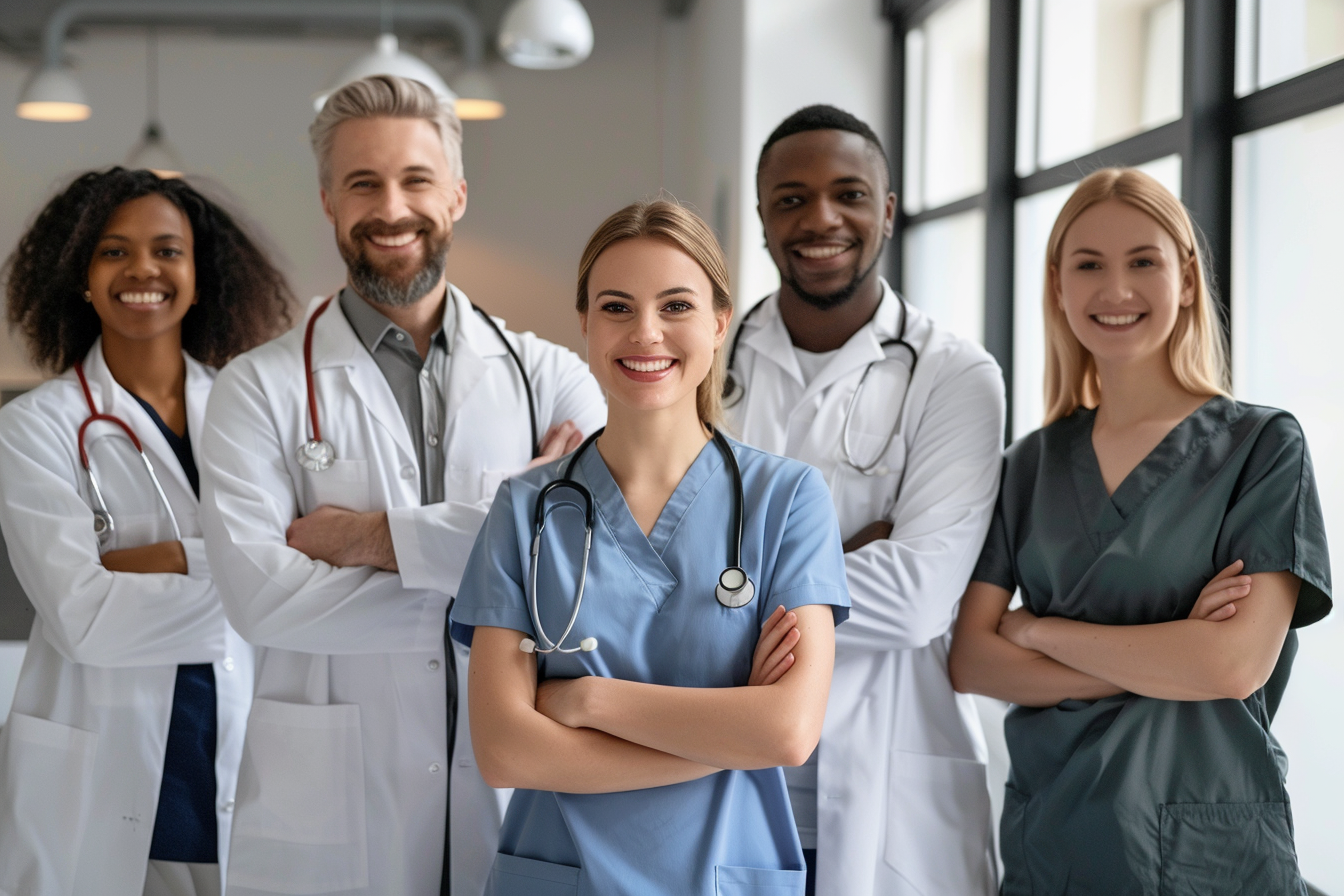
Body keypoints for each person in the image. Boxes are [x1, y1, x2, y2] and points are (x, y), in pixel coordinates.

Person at [196, 75, 605, 896]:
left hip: (510, 794)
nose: (392, 208)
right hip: (331, 817)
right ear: (327, 201)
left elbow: (595, 569)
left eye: (416, 180)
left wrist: (367, 539)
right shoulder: (256, 387)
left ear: (455, 195)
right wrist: (500, 561)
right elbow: (258, 601)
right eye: (363, 183)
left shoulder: (551, 376)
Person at [947, 167, 1332, 894]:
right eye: (1088, 264)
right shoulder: (1028, 465)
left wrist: (1038, 632)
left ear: (1187, 279)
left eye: (1143, 262)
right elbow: (970, 660)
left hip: (1211, 857)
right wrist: (1168, 652)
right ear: (1057, 287)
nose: (1114, 289)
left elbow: (1231, 667)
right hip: (1054, 849)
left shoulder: (1262, 447)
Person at [450, 198, 850, 896]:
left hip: (725, 875)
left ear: (719, 321)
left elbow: (786, 732)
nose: (645, 333)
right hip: (560, 875)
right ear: (584, 322)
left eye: (675, 306)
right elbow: (505, 750)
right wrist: (724, 741)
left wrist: (589, 703)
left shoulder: (787, 501)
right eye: (616, 307)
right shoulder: (527, 510)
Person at [725, 104, 1004, 895]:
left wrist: (722, 578)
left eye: (848, 194)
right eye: (791, 198)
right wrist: (843, 560)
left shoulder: (955, 376)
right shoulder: (706, 363)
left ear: (886, 210)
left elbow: (918, 599)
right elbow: (636, 561)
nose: (821, 218)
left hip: (889, 795)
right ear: (762, 218)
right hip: (727, 779)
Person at [0, 168, 293, 896]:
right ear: (81, 276)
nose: (142, 270)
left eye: (168, 251)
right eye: (113, 251)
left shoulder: (255, 413)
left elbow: (307, 580)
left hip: (235, 768)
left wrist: (160, 561)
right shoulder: (34, 429)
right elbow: (85, 619)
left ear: (200, 276)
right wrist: (253, 575)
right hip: (96, 783)